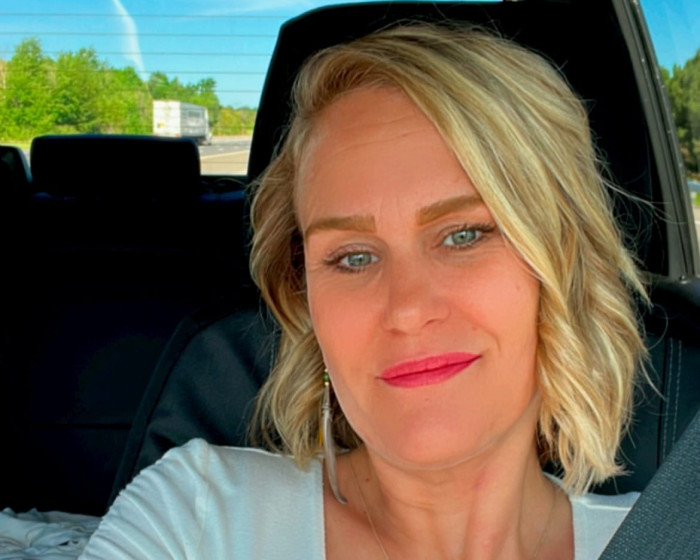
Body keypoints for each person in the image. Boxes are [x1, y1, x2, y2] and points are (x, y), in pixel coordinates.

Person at [80, 23, 647, 560]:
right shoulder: (198, 518)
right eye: (353, 257)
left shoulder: (669, 536)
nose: (407, 308)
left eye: (464, 235)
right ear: (307, 301)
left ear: (560, 260)